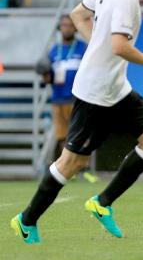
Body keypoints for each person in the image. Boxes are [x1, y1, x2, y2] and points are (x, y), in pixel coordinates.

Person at [11, 0, 143, 244]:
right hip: (96, 91)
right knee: (72, 163)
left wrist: (96, 41)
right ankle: (26, 220)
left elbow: (77, 14)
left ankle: (102, 202)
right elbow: (120, 45)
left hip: (116, 87)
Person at [43, 15, 93, 181]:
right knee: (62, 136)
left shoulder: (82, 48)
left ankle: (85, 169)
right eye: (64, 25)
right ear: (60, 28)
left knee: (81, 134)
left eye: (70, 25)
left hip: (77, 98)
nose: (67, 28)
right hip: (58, 99)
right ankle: (67, 169)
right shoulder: (54, 50)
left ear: (75, 28)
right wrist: (44, 73)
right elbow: (48, 78)